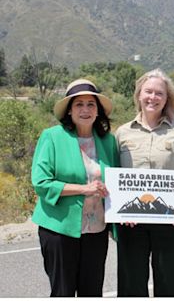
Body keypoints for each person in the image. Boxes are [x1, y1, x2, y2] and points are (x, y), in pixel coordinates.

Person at [115, 69, 174, 297]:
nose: (153, 97)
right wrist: (119, 211)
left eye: (159, 93)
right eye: (148, 92)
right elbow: (113, 177)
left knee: (170, 284)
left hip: (171, 221)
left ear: (167, 99)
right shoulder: (122, 134)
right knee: (131, 284)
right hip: (131, 223)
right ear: (139, 95)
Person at [31, 78, 118, 297]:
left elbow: (117, 181)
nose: (85, 109)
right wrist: (83, 189)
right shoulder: (51, 137)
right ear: (69, 111)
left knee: (92, 292)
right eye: (79, 104)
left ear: (98, 111)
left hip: (96, 231)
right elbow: (41, 183)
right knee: (63, 291)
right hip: (59, 230)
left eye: (91, 104)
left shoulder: (108, 141)